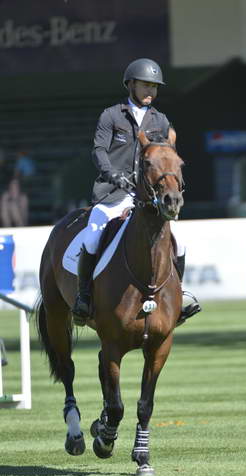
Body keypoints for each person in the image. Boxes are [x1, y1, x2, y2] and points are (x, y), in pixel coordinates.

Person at [72, 58, 201, 326]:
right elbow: (98, 151)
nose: (150, 91)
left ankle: (178, 295)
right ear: (130, 84)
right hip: (113, 193)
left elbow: (168, 156)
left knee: (182, 241)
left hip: (151, 197)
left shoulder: (161, 120)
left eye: (154, 87)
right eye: (145, 85)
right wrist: (112, 174)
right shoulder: (112, 115)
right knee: (94, 235)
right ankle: (84, 296)